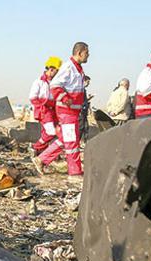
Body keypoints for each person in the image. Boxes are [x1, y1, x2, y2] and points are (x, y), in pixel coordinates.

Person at [41, 42, 89, 176]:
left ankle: (41, 159)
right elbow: (55, 85)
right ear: (79, 53)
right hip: (67, 112)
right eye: (87, 53)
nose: (88, 56)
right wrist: (65, 98)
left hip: (72, 111)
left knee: (65, 140)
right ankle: (75, 171)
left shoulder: (77, 68)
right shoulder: (69, 67)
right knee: (72, 142)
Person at [29, 56, 61, 162]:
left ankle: (40, 153)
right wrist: (42, 106)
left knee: (50, 133)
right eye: (57, 71)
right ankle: (35, 147)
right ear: (51, 69)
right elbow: (33, 98)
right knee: (51, 132)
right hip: (44, 110)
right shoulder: (39, 82)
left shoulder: (55, 83)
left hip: (53, 110)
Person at [79, 75, 92, 143]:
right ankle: (77, 143)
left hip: (84, 112)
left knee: (86, 127)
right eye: (88, 82)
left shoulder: (84, 90)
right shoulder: (80, 90)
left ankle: (85, 142)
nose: (88, 84)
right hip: (81, 112)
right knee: (80, 127)